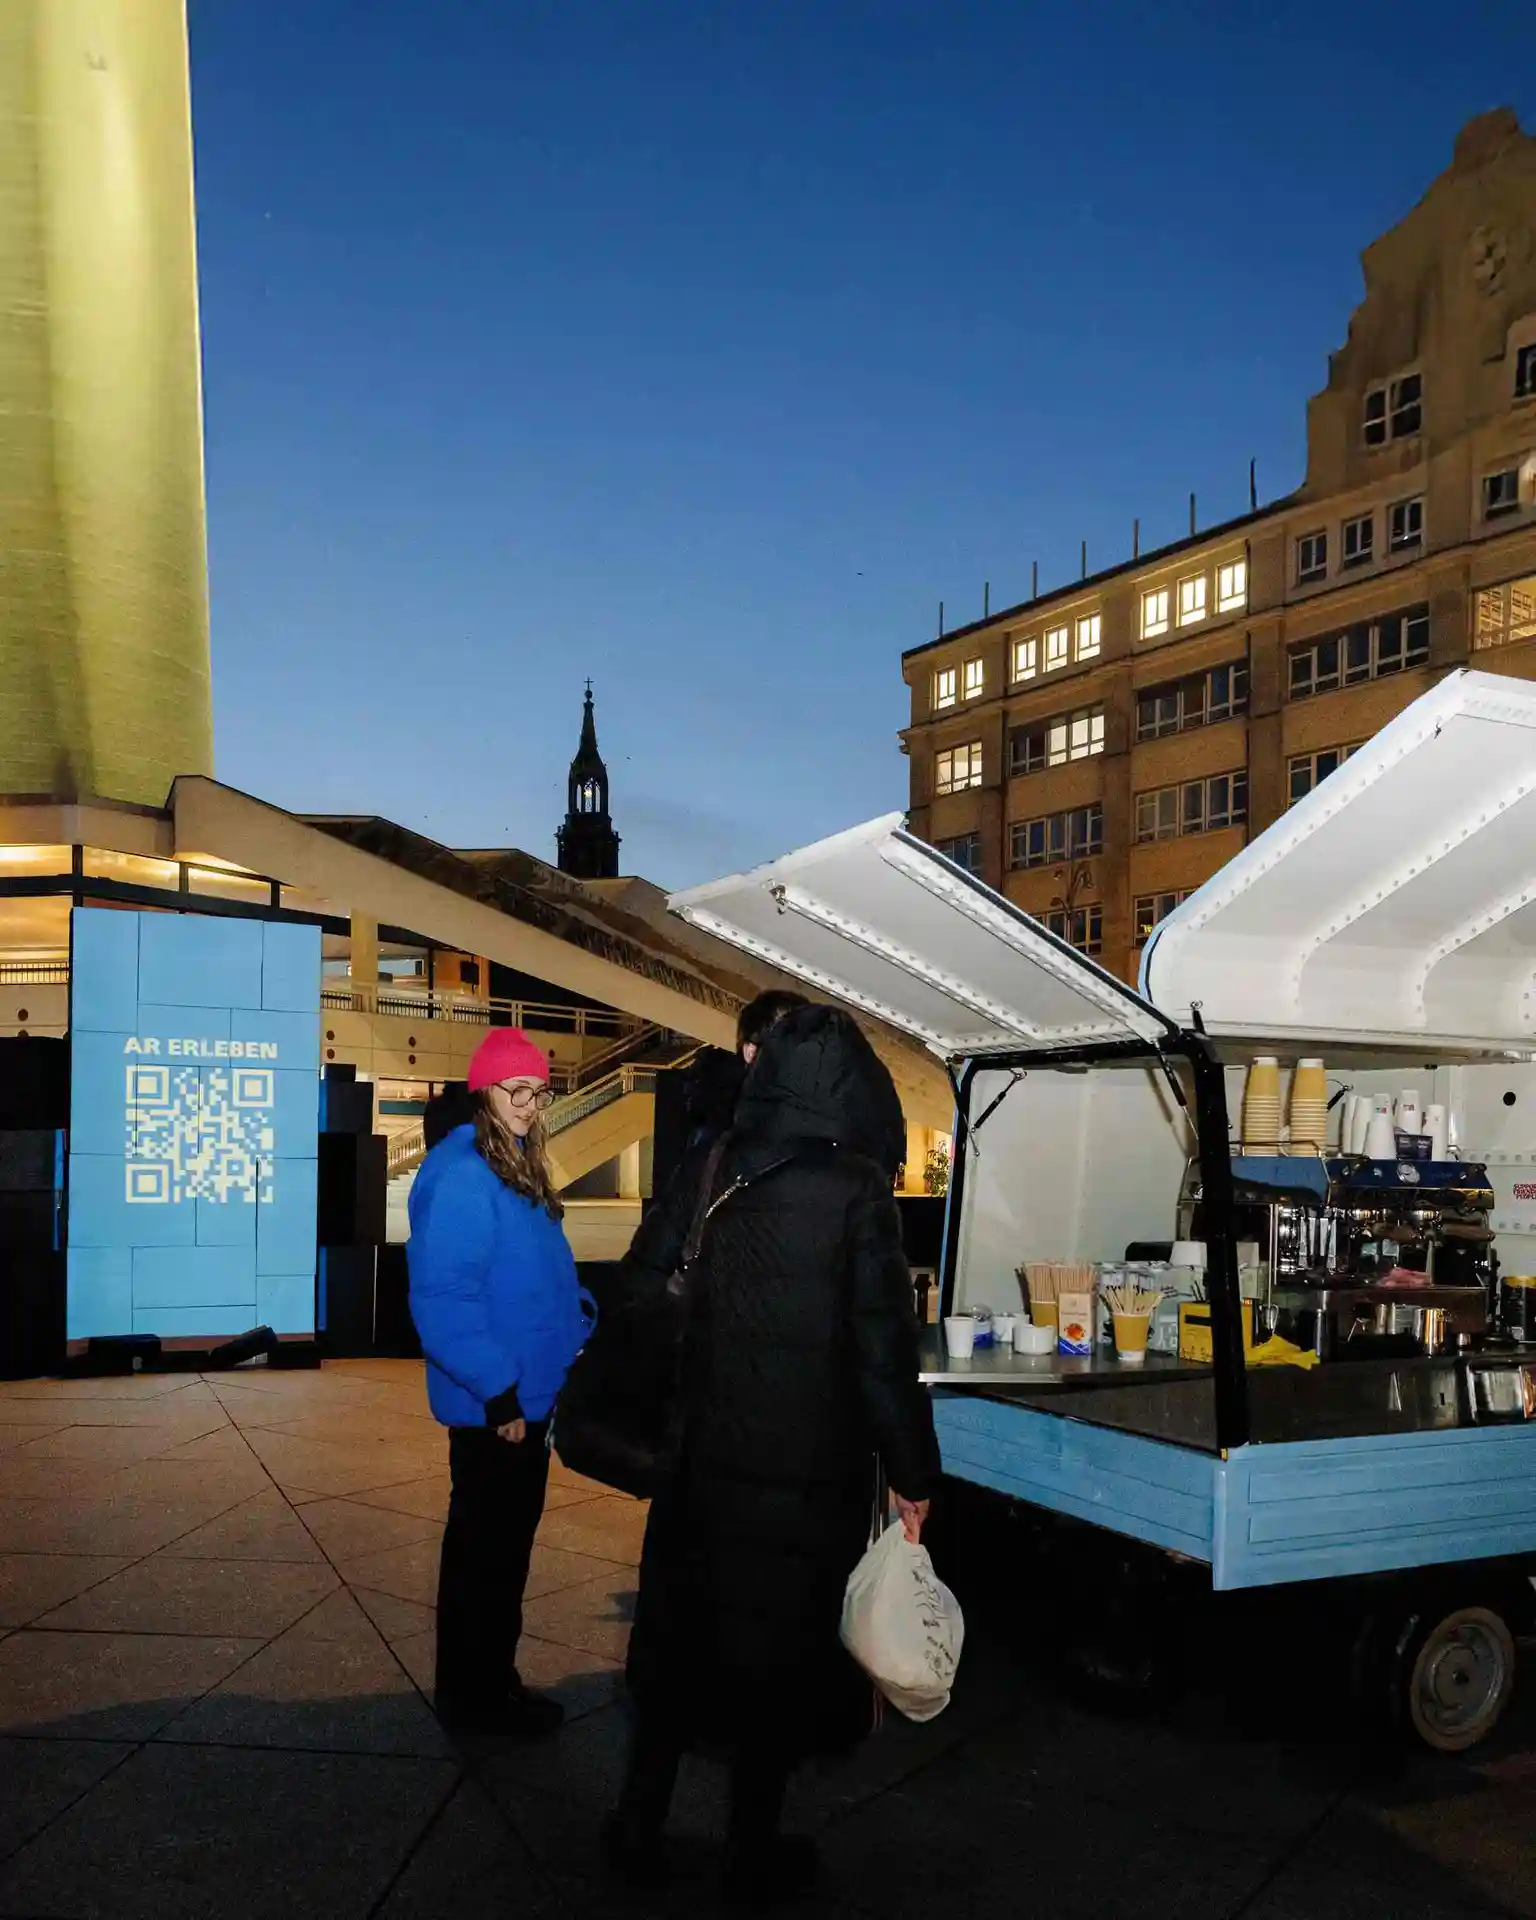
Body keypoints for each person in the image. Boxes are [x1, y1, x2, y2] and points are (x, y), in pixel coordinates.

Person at [604, 1004, 942, 1901]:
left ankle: (638, 1823)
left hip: (700, 1464)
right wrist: (914, 1476)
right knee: (775, 1665)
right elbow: (883, 1354)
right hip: (805, 1477)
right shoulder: (857, 1190)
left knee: (678, 1651)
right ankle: (749, 1852)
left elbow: (639, 1285)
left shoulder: (714, 1161)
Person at [407, 1027, 590, 1738]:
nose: (530, 1104)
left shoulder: (512, 1163)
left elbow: (536, 1276)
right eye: (517, 1090)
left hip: (525, 1392)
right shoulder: (463, 1174)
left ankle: (489, 1682)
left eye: (539, 1091)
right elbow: (445, 1298)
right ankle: (475, 1698)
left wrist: (579, 1323)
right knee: (486, 1557)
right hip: (498, 1405)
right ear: (485, 1090)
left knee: (501, 1553)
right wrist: (500, 1393)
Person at [628, 988, 808, 1287]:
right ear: (751, 1052)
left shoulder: (845, 1163)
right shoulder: (713, 1156)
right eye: (789, 1042)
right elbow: (649, 1265)